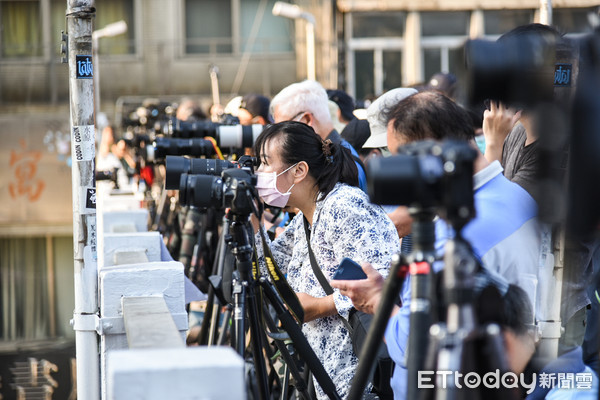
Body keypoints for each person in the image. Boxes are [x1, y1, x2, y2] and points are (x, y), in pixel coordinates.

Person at [331, 90, 544, 399]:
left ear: (432, 152)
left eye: (399, 158)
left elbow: (411, 345)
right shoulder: (517, 198)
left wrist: (378, 301)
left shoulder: (454, 236)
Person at [253, 121, 400, 399]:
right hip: (327, 375)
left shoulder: (344, 205)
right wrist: (249, 223)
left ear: (299, 170)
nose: (258, 174)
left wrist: (319, 306)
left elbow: (384, 278)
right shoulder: (306, 217)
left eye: (265, 163)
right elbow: (266, 270)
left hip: (360, 376)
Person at [269, 80, 368, 192]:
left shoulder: (342, 165)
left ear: (306, 120)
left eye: (282, 127)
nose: (278, 136)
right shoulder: (333, 156)